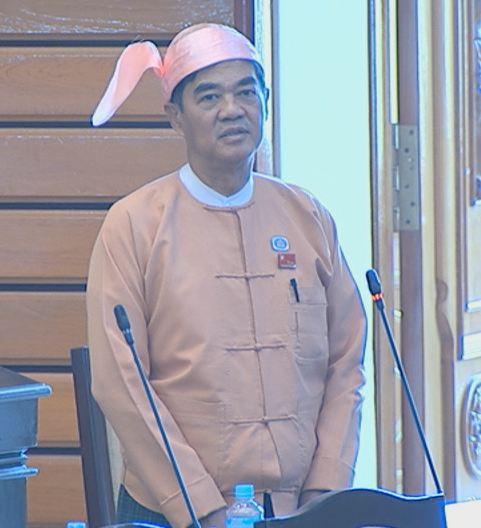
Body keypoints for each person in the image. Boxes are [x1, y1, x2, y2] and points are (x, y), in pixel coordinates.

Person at [86, 23, 366, 528]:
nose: (232, 109)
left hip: (298, 508)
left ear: (266, 103)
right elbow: (121, 383)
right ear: (175, 116)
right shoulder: (133, 225)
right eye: (209, 96)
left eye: (246, 92)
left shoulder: (307, 217)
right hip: (170, 512)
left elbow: (346, 361)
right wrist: (200, 507)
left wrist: (326, 490)